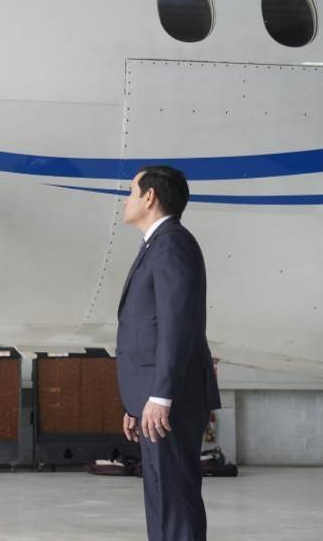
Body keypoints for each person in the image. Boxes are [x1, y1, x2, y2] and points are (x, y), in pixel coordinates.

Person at [117, 166, 222, 541]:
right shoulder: (157, 245)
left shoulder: (172, 244)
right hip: (154, 398)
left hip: (170, 398)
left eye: (131, 192)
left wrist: (160, 396)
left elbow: (177, 326)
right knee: (163, 496)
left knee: (175, 499)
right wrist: (137, 402)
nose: (126, 200)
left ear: (150, 197)